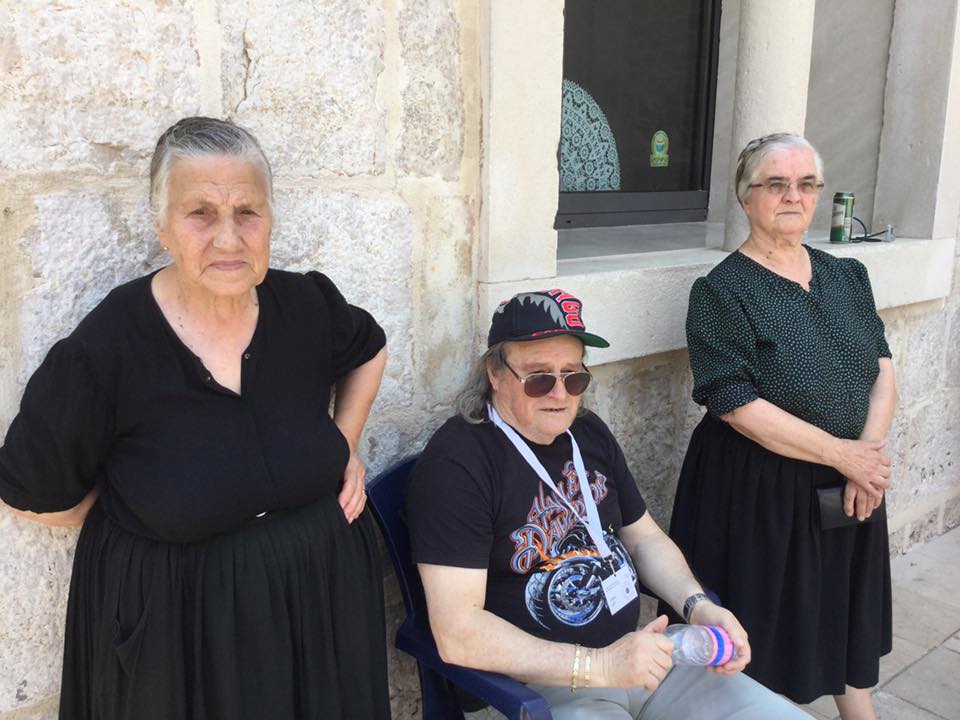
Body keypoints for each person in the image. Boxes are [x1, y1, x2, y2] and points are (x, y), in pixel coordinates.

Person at [0, 117, 391, 719]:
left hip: (316, 610)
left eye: (247, 212)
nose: (228, 239)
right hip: (180, 636)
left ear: (270, 219)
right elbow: (34, 490)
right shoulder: (108, 347)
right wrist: (138, 507)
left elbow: (369, 349)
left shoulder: (305, 305)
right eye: (200, 214)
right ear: (162, 226)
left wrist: (343, 443)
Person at [406, 290, 811, 719]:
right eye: (539, 378)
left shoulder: (586, 432)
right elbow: (459, 632)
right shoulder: (458, 465)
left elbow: (644, 539)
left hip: (646, 657)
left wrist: (698, 606)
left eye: (573, 378)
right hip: (547, 682)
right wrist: (598, 666)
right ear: (495, 372)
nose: (559, 394)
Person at [666, 133, 896, 720]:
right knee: (764, 625)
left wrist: (866, 459)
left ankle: (858, 710)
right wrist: (845, 457)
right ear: (746, 197)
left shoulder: (848, 275)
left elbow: (882, 368)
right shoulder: (721, 290)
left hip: (851, 478)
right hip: (760, 488)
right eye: (776, 184)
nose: (793, 196)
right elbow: (733, 401)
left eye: (806, 184)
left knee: (841, 603)